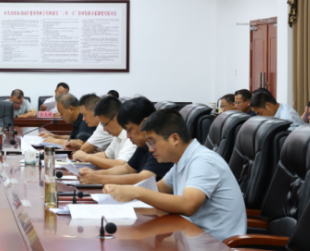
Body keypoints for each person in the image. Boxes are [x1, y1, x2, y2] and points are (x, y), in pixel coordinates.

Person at [103, 108, 246, 242]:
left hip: (217, 247)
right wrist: (120, 191)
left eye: (152, 142)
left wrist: (136, 192)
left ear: (175, 139)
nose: (151, 149)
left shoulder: (203, 161)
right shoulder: (181, 161)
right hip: (192, 238)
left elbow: (188, 205)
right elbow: (158, 189)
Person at [79, 96, 172, 185]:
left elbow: (144, 178)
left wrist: (99, 179)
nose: (127, 136)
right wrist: (96, 174)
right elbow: (127, 169)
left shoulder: (161, 145)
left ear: (144, 124)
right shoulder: (144, 144)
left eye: (130, 129)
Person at [73, 94, 136, 167]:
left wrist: (88, 158)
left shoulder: (131, 136)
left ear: (116, 118)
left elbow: (121, 165)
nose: (104, 129)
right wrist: (83, 157)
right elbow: (106, 155)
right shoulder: (117, 135)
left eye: (105, 124)